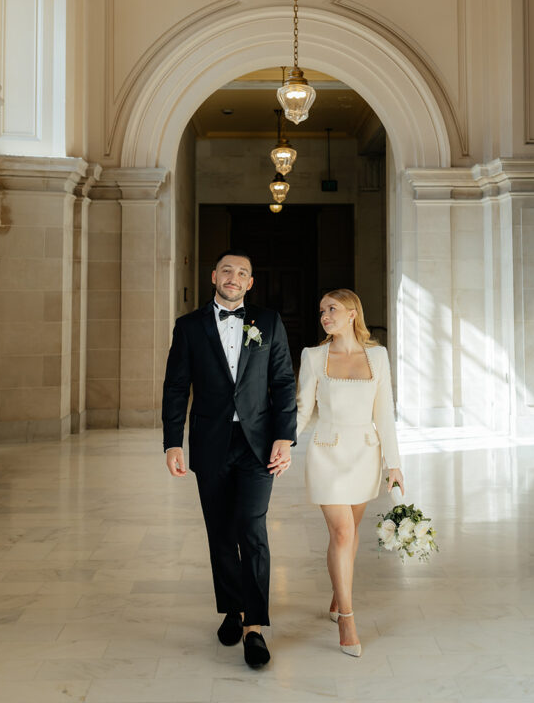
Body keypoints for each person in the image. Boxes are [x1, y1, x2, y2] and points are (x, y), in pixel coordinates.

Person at [162, 250, 297, 669]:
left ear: (251, 283)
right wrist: (173, 441)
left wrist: (284, 438)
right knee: (220, 530)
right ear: (214, 276)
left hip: (258, 444)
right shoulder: (189, 327)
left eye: (242, 273)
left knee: (252, 527)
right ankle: (232, 611)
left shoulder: (269, 322)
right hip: (211, 442)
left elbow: (283, 381)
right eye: (227, 270)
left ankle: (254, 626)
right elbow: (175, 386)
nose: (234, 277)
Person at [296, 288, 404, 658]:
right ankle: (347, 616)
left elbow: (384, 413)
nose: (324, 316)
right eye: (322, 310)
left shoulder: (378, 355)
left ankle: (336, 592)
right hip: (327, 453)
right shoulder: (313, 356)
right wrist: (282, 444)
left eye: (332, 309)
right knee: (341, 533)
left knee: (351, 533)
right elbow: (301, 409)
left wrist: (394, 463)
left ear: (352, 314)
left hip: (365, 454)